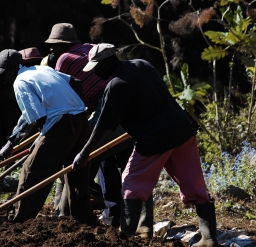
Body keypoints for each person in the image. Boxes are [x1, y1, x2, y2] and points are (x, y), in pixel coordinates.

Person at [73, 43, 218, 246]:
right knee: (194, 185)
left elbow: (103, 125)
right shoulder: (142, 65)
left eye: (96, 67)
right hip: (182, 129)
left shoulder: (116, 85)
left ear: (106, 63)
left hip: (155, 139)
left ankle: (127, 239)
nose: (96, 73)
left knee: (131, 183)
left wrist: (84, 153)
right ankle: (209, 238)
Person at [0, 47, 98, 225]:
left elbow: (36, 118)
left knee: (32, 170)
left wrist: (40, 137)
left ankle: (18, 220)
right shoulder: (42, 70)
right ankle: (85, 220)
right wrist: (76, 106)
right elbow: (76, 82)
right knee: (77, 173)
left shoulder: (20, 82)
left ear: (12, 69)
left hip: (60, 126)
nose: (3, 80)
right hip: (80, 122)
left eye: (3, 75)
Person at [43, 22, 136, 225]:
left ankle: (69, 217)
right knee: (114, 161)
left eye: (54, 45)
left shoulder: (64, 59)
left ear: (63, 44)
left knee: (84, 160)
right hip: (118, 105)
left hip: (105, 105)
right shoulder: (90, 48)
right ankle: (123, 218)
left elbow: (64, 96)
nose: (52, 49)